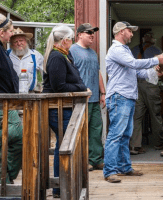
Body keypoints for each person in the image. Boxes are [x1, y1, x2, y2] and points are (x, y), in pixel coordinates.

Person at [104, 21, 163, 183]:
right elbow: (133, 64)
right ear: (120, 32)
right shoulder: (117, 50)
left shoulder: (125, 50)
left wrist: (154, 72)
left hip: (126, 96)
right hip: (120, 96)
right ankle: (110, 171)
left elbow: (136, 72)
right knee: (115, 135)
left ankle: (125, 168)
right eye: (130, 31)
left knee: (125, 135)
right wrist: (156, 60)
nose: (132, 34)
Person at [43, 24, 87, 198]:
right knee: (63, 146)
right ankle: (59, 187)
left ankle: (61, 186)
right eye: (71, 38)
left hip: (65, 108)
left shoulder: (64, 56)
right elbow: (58, 86)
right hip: (58, 109)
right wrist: (80, 87)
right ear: (64, 40)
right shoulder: (56, 57)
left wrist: (80, 86)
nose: (72, 41)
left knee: (64, 145)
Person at [70, 23, 106, 171]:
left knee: (96, 130)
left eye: (93, 33)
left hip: (95, 98)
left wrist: (103, 93)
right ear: (79, 34)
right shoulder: (72, 51)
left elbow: (98, 73)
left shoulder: (92, 52)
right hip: (80, 99)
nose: (92, 35)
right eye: (88, 32)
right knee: (81, 132)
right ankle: (83, 161)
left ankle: (96, 159)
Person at [130, 31, 163, 155]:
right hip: (151, 84)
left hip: (136, 84)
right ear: (153, 40)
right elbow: (162, 67)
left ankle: (135, 145)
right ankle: (159, 143)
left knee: (137, 116)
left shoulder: (133, 49)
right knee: (155, 114)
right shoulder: (157, 50)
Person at [0, 13, 22, 184]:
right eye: (11, 31)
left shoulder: (2, 50)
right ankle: (4, 181)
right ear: (2, 32)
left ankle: (6, 179)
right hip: (3, 103)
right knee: (16, 136)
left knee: (16, 139)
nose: (12, 35)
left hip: (8, 102)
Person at [8, 28, 44, 93]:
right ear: (11, 44)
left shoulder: (35, 55)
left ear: (26, 41)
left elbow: (45, 73)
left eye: (21, 40)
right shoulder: (7, 55)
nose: (19, 43)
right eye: (15, 42)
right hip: (11, 95)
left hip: (30, 94)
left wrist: (43, 88)